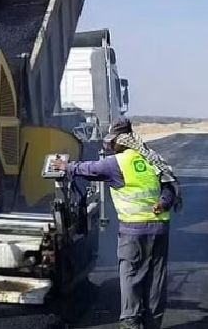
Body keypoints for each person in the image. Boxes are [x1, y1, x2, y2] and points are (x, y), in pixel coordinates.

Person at [52, 118, 180, 329]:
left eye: (112, 141)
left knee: (131, 277)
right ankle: (153, 324)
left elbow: (89, 169)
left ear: (119, 141)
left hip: (133, 231)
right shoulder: (151, 158)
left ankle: (130, 322)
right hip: (160, 229)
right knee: (156, 280)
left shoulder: (116, 163)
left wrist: (66, 167)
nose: (110, 145)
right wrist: (163, 204)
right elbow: (169, 186)